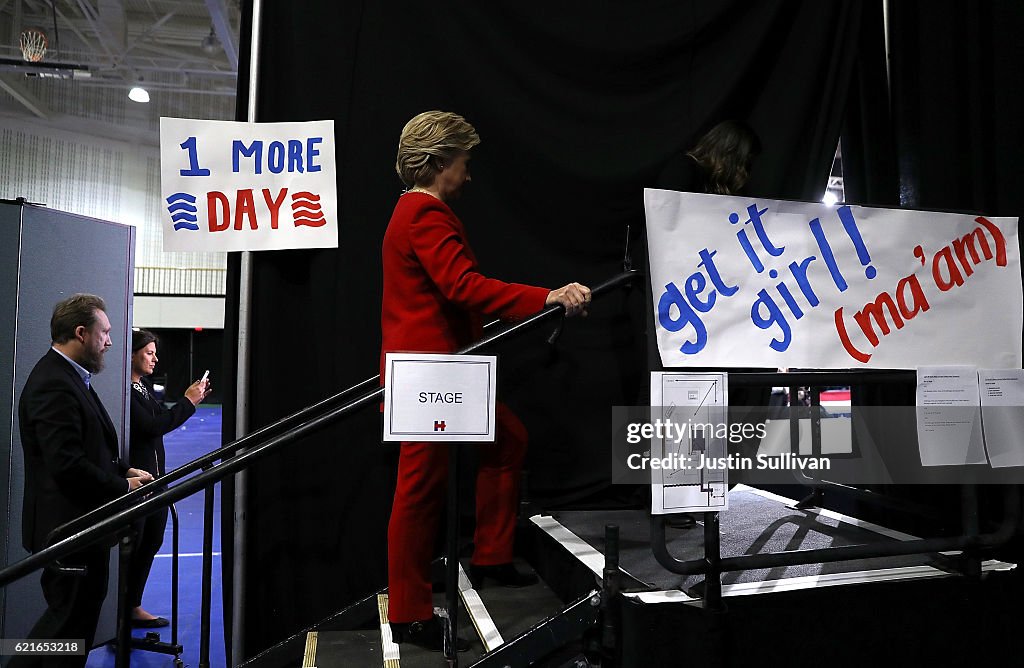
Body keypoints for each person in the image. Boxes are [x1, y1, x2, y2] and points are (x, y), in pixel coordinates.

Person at [381, 110, 591, 652]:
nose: (469, 176)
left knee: (508, 441)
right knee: (420, 490)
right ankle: (408, 612)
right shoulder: (425, 213)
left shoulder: (416, 211)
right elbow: (462, 285)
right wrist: (545, 296)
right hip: (431, 373)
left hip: (442, 368)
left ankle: (492, 556)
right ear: (439, 162)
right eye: (464, 163)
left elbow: (449, 291)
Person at [13, 294, 153, 668]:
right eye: (104, 332)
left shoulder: (70, 378)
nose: (109, 341)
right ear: (81, 333)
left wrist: (123, 470)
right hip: (69, 533)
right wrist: (122, 488)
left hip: (83, 531)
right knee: (63, 632)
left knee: (72, 632)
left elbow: (89, 448)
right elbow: (67, 465)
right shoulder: (54, 383)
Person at [652, 120, 765, 528]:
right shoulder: (683, 172)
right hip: (678, 307)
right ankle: (675, 500)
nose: (746, 173)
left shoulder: (708, 184)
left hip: (702, 309)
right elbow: (668, 235)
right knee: (683, 402)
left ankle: (691, 495)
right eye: (744, 162)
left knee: (701, 403)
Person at [126, 329, 210, 628]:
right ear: (132, 353)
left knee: (151, 540)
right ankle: (120, 610)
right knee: (134, 545)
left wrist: (188, 402)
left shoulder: (144, 387)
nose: (154, 358)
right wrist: (188, 402)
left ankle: (132, 605)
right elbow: (152, 425)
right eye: (148, 352)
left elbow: (162, 418)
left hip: (155, 480)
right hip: (135, 482)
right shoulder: (124, 391)